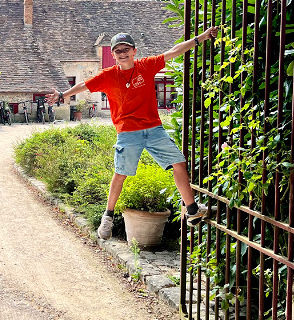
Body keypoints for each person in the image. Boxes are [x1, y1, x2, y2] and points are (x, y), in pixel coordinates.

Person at [47, 28, 218, 240]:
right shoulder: (108, 75)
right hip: (128, 133)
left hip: (154, 129)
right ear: (113, 54)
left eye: (125, 49)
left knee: (179, 163)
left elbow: (174, 51)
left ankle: (192, 211)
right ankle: (107, 217)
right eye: (117, 50)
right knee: (121, 173)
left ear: (134, 51)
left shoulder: (146, 66)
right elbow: (84, 84)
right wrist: (63, 94)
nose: (122, 53)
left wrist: (202, 38)